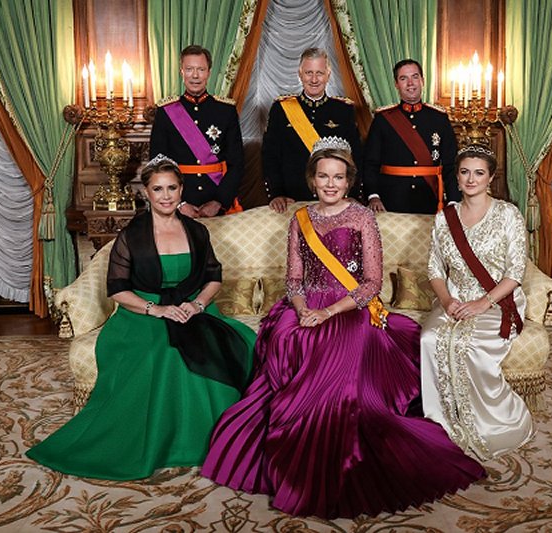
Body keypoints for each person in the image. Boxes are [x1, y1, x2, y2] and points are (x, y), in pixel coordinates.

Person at [201, 137, 485, 519]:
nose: (330, 184)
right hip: (307, 306)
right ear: (312, 180)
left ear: (349, 181)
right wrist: (302, 310)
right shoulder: (300, 220)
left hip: (350, 306)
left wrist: (330, 311)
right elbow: (294, 280)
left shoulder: (362, 217)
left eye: (338, 177)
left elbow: (371, 283)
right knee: (286, 337)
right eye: (323, 176)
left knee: (342, 363)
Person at [26, 154, 255, 480]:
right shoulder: (132, 236)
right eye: (157, 189)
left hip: (193, 310)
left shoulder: (196, 231)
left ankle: (220, 440)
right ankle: (164, 443)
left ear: (181, 190)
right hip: (141, 316)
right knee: (163, 353)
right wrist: (157, 309)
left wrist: (198, 305)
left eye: (172, 188)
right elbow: (118, 290)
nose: (165, 196)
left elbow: (213, 277)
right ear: (145, 192)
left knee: (240, 344)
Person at [420, 144, 534, 461]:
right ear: (457, 177)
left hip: (498, 299)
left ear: (491, 178)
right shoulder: (446, 219)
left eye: (479, 173)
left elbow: (515, 272)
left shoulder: (508, 215)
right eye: (465, 172)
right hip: (455, 298)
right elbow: (434, 268)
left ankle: (492, 422)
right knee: (431, 339)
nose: (471, 179)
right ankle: (442, 424)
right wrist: (446, 301)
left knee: (469, 345)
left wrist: (484, 303)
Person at [262, 47, 362, 213]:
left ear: (328, 75)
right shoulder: (281, 109)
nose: (314, 79)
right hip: (292, 199)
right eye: (309, 73)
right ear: (300, 75)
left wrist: (352, 194)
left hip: (334, 197)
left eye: (320, 73)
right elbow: (270, 156)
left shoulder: (343, 110)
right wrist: (276, 194)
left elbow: (356, 157)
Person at [149, 45, 244, 218]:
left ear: (209, 72)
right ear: (181, 72)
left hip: (216, 200)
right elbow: (157, 164)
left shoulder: (226, 110)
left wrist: (219, 202)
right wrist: (179, 203)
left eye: (200, 69)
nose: (195, 75)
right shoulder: (166, 111)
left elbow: (236, 164)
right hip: (178, 202)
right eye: (189, 69)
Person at [363, 58, 460, 214]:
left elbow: (451, 164)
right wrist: (373, 196)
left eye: (415, 77)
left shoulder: (439, 118)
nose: (410, 83)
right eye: (403, 78)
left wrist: (454, 199)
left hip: (429, 198)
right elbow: (370, 163)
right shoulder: (383, 119)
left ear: (422, 81)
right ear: (396, 84)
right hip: (391, 200)